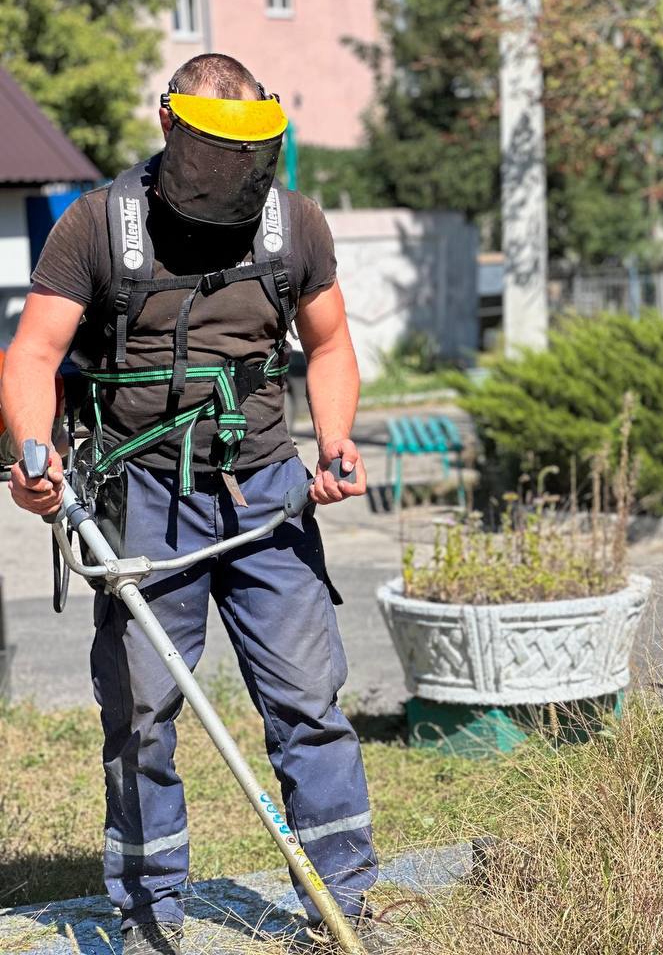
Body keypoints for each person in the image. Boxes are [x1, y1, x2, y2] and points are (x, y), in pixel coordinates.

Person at [1, 55, 382, 955]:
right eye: (216, 154)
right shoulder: (97, 226)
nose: (237, 176)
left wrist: (333, 438)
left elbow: (328, 346)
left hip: (265, 493)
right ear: (170, 129)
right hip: (140, 497)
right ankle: (148, 912)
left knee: (309, 705)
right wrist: (31, 453)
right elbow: (29, 357)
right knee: (139, 717)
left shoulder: (295, 226)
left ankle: (345, 902)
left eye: (251, 155)